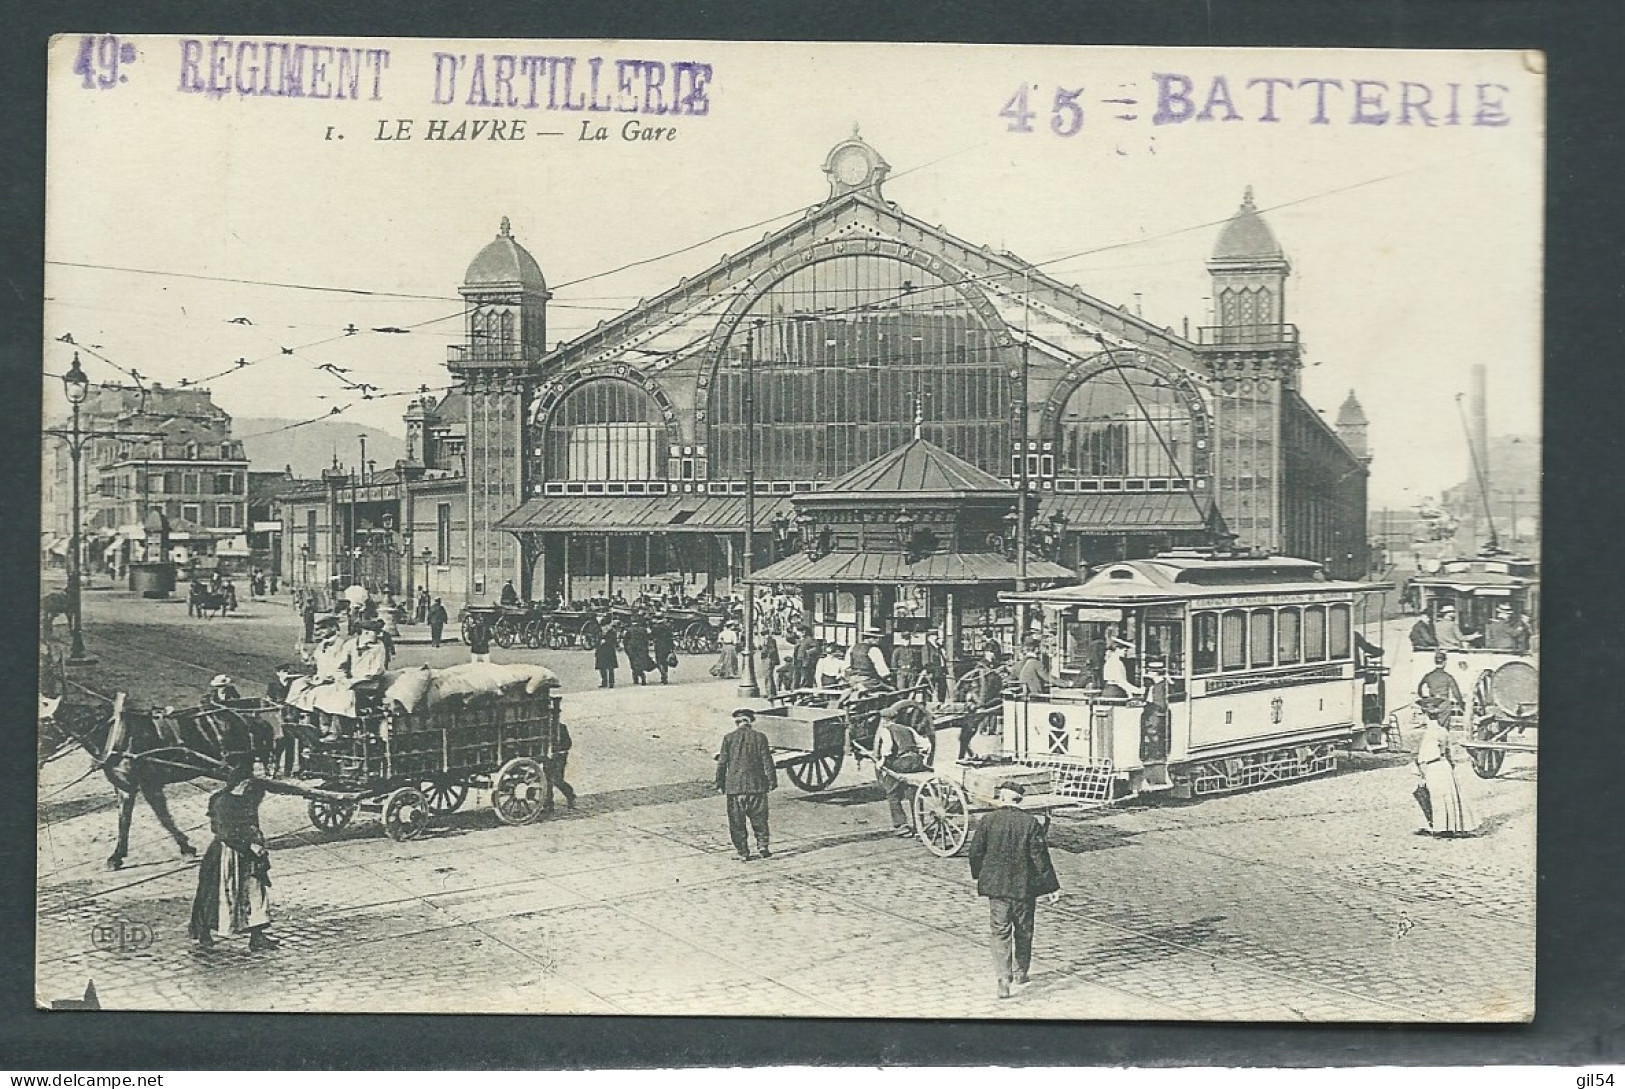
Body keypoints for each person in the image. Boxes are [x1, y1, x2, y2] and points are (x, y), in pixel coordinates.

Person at [189, 752, 339, 951]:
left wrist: (311, 792)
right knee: (217, 895)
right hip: (228, 854)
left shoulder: (251, 794)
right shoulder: (222, 801)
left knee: (255, 892)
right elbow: (224, 832)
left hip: (250, 853)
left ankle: (257, 937)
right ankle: (204, 934)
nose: (252, 786)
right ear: (240, 782)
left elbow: (278, 788)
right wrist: (249, 845)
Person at [966, 781, 1062, 999]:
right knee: (1024, 930)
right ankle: (1021, 972)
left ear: (1002, 798)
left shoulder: (988, 820)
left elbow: (975, 853)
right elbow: (1040, 857)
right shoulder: (1030, 823)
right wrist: (1051, 886)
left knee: (999, 932)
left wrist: (981, 875)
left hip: (997, 889)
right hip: (1024, 889)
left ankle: (1002, 978)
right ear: (1020, 800)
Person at [715, 707, 777, 861]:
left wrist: (720, 783)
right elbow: (766, 760)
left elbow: (722, 763)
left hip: (735, 788)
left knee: (737, 822)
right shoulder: (760, 737)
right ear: (751, 722)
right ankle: (763, 846)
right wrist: (772, 780)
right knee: (760, 819)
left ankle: (743, 851)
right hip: (757, 786)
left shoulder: (728, 738)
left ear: (737, 723)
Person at [1412, 710, 1482, 837]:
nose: (1417, 719)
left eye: (1419, 715)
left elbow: (1426, 756)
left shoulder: (1430, 733)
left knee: (1436, 797)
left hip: (1434, 766)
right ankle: (1450, 826)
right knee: (1448, 797)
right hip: (1445, 765)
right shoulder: (1443, 731)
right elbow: (1449, 751)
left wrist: (1421, 774)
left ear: (1426, 716)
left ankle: (1440, 828)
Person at [872, 704, 930, 837]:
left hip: (902, 763)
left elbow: (888, 748)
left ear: (884, 720)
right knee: (913, 792)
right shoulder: (908, 729)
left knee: (892, 792)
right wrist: (922, 757)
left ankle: (901, 825)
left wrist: (881, 763)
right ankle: (919, 825)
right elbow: (926, 744)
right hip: (916, 762)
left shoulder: (886, 730)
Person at [1416, 650, 1464, 722]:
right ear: (1444, 663)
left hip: (1431, 704)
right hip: (1443, 704)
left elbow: (1419, 688)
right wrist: (1462, 706)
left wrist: (1424, 698)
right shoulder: (1447, 677)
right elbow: (1456, 693)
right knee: (1443, 729)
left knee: (1433, 726)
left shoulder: (1428, 676)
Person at [543, 719, 576, 813]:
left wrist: (557, 750)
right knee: (547, 780)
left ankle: (570, 794)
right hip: (549, 757)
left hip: (559, 757)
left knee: (557, 780)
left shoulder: (561, 727)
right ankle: (548, 805)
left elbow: (568, 744)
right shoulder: (544, 728)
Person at [845, 629, 893, 693]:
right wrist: (889, 679)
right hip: (869, 681)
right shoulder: (874, 650)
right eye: (877, 638)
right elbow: (882, 670)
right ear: (871, 638)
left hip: (853, 681)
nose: (878, 640)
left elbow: (846, 666)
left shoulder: (852, 647)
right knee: (891, 689)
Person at [623, 619, 654, 686]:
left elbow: (625, 641)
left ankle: (636, 678)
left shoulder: (629, 630)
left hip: (632, 649)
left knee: (634, 663)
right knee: (640, 663)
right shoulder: (643, 630)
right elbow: (648, 639)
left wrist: (627, 649)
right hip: (642, 649)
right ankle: (641, 677)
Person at [650, 616, 676, 685]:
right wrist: (672, 648)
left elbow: (651, 636)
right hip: (667, 645)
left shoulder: (655, 627)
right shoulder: (667, 627)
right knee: (665, 662)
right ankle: (665, 676)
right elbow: (671, 637)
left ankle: (663, 674)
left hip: (658, 645)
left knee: (659, 661)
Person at [756, 632, 780, 699]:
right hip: (768, 659)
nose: (764, 637)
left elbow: (772, 650)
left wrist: (766, 654)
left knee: (768, 676)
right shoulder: (767, 641)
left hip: (769, 660)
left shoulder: (770, 641)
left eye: (764, 635)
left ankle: (770, 693)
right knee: (769, 676)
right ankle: (772, 692)